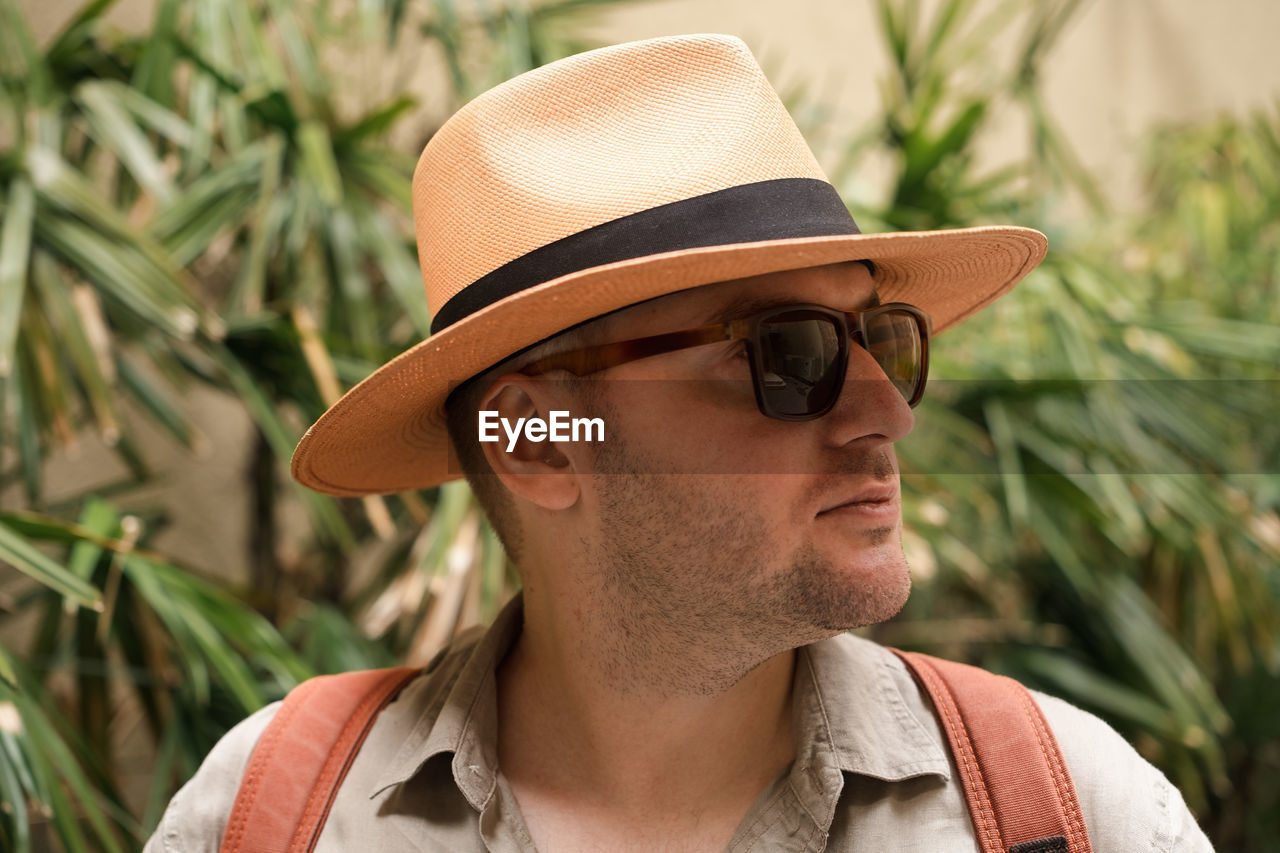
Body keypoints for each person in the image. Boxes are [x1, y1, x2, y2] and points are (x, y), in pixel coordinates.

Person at [146, 34, 1212, 852]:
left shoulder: (1063, 808)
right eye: (786, 353)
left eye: (880, 336)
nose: (886, 410)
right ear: (537, 439)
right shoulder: (273, 814)